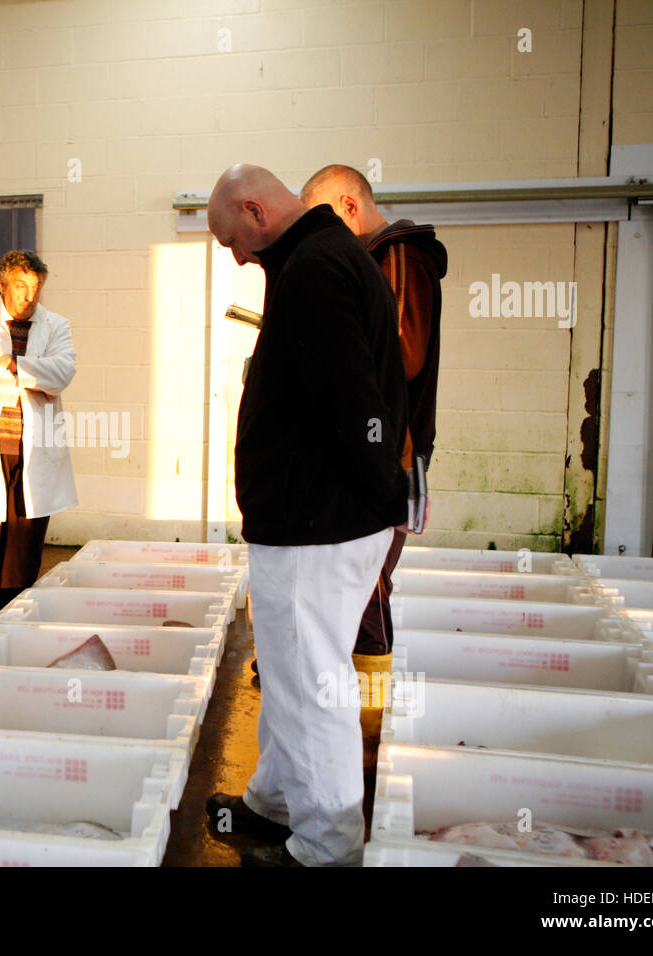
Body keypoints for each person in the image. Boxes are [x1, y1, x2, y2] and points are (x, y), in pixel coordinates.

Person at [204, 164, 408, 867]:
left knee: (314, 683)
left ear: (255, 211)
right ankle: (278, 802)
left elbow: (356, 405)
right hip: (315, 519)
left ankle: (327, 845)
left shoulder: (316, 269)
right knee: (291, 676)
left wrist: (376, 496)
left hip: (320, 524)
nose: (238, 257)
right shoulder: (316, 261)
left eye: (235, 242)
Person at [300, 164, 448, 773]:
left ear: (349, 207)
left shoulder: (399, 254)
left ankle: (368, 743)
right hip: (383, 454)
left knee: (367, 591)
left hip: (392, 458)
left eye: (327, 224)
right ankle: (362, 733)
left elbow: (403, 353)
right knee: (361, 590)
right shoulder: (384, 260)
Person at [0, 250, 77, 611]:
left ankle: (10, 609)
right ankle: (13, 608)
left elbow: (63, 374)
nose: (30, 296)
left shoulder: (56, 325)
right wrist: (35, 378)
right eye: (21, 286)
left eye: (36, 287)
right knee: (1, 535)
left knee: (28, 536)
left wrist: (11, 364)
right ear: (2, 284)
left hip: (37, 448)